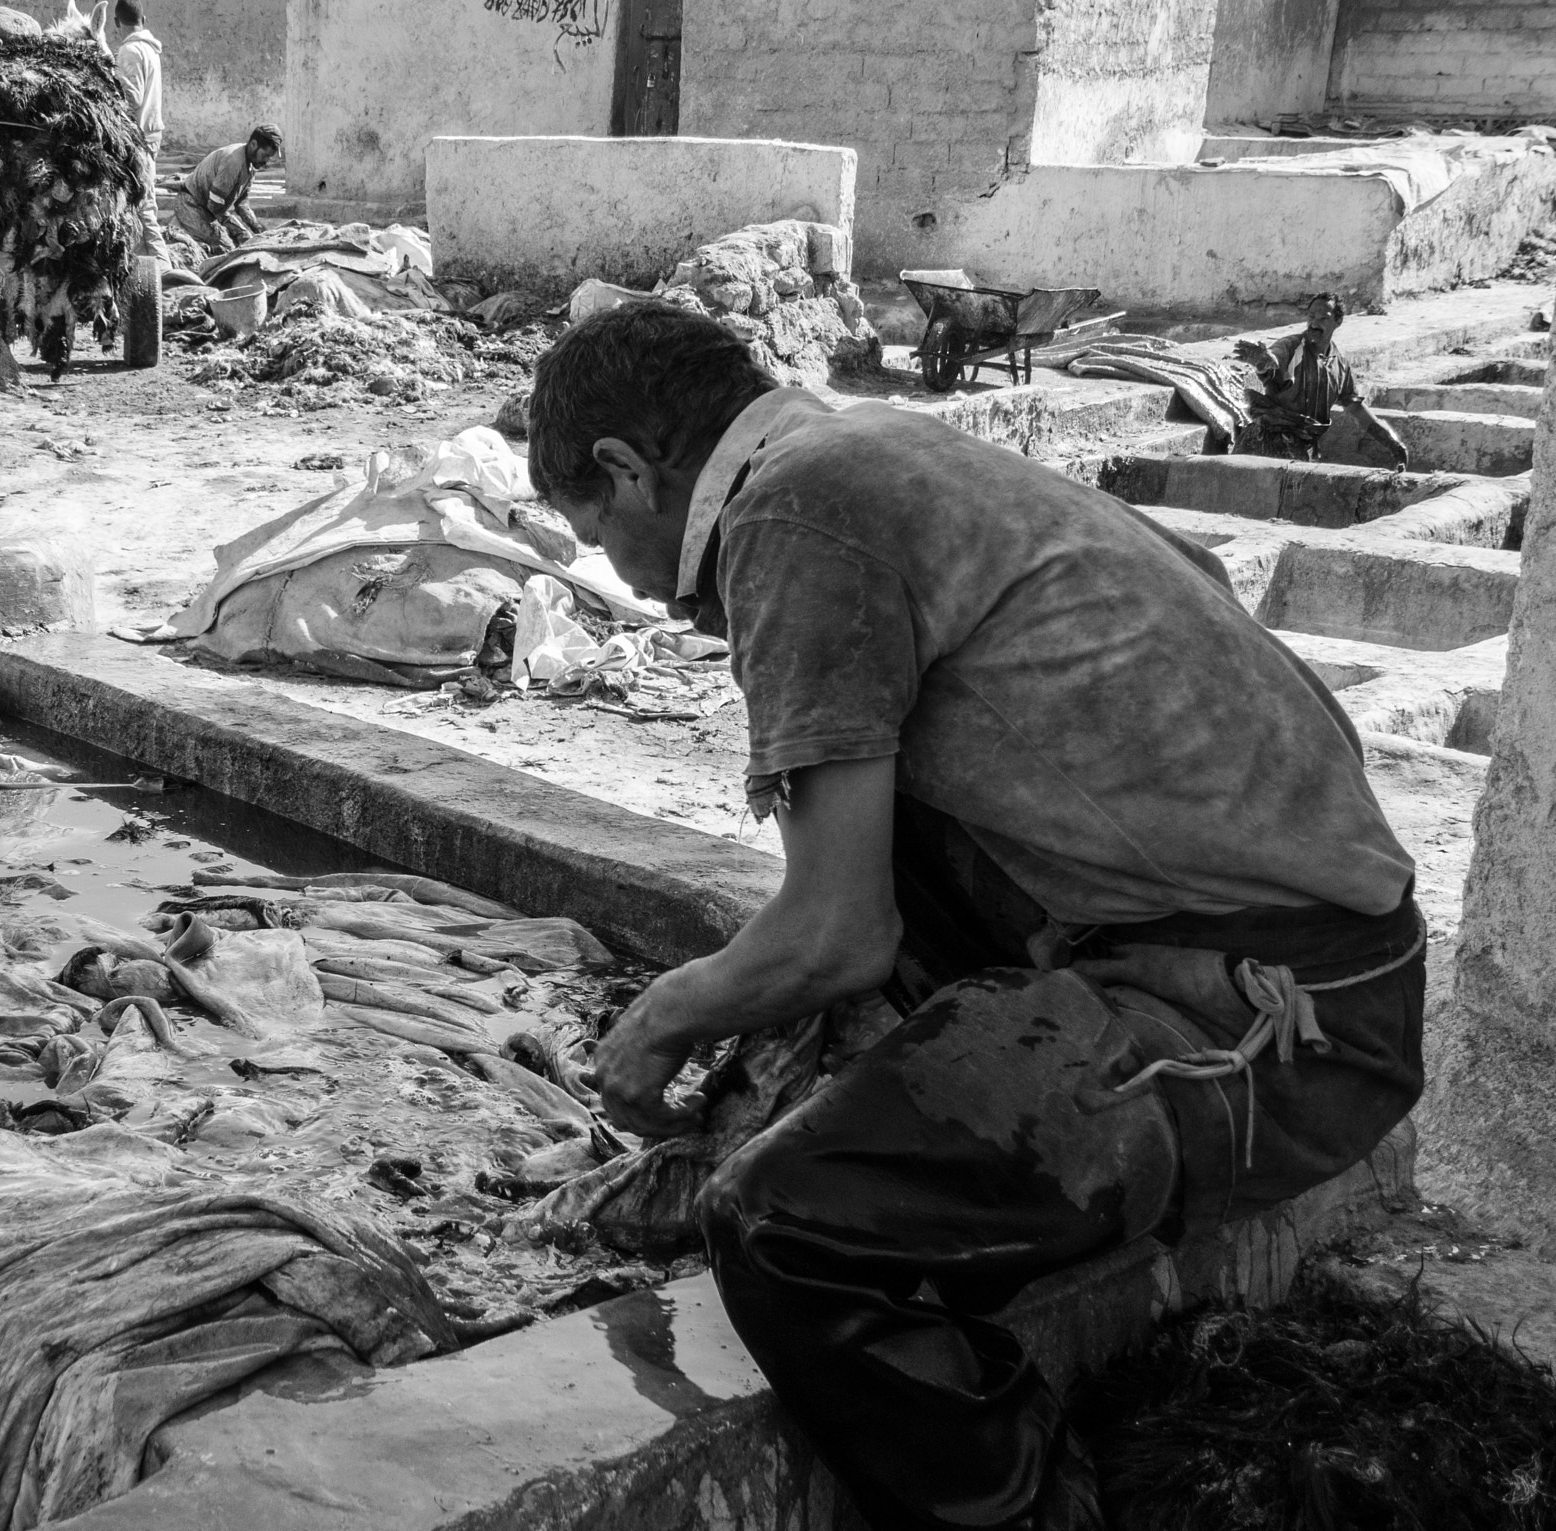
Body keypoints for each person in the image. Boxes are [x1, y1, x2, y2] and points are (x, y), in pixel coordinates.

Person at [528, 302, 1425, 1531]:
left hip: (1270, 1027)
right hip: (1326, 955)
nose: (620, 577)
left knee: (781, 1228)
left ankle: (1028, 1509)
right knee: (879, 873)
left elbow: (840, 932)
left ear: (628, 473)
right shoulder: (874, 447)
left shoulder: (789, 516)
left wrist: (663, 1019)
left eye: (595, 536)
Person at [1238, 292, 1409, 467]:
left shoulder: (1340, 366)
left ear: (1338, 322)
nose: (1314, 323)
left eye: (1323, 319)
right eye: (1311, 316)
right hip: (1266, 445)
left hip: (1303, 449)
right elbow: (1273, 361)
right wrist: (1262, 361)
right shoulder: (1291, 346)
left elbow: (1357, 410)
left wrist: (1393, 443)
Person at [113, 0, 170, 262]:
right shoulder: (151, 50)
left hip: (139, 139)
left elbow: (133, 98)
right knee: (139, 206)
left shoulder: (130, 51)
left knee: (144, 208)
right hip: (151, 135)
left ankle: (164, 272)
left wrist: (110, 70)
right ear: (143, 20)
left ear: (116, 22)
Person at [173, 124, 280, 253]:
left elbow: (242, 203)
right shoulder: (233, 161)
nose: (266, 161)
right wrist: (234, 229)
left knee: (246, 240)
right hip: (191, 205)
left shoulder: (251, 164)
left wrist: (258, 228)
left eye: (269, 157)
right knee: (227, 249)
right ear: (253, 144)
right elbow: (214, 206)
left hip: (210, 209)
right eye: (265, 155)